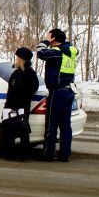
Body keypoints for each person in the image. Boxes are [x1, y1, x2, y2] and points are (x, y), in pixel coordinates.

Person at [35, 28, 79, 162]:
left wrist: (45, 41)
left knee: (52, 124)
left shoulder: (57, 53)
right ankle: (65, 154)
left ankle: (49, 154)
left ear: (53, 39)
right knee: (66, 125)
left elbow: (40, 52)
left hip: (57, 92)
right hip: (69, 91)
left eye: (50, 36)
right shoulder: (71, 51)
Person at [3, 47, 39, 161]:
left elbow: (30, 89)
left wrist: (18, 103)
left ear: (22, 59)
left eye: (18, 57)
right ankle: (12, 154)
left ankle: (22, 155)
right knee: (11, 130)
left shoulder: (27, 74)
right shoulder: (19, 72)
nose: (16, 58)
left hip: (18, 106)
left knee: (20, 131)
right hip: (13, 105)